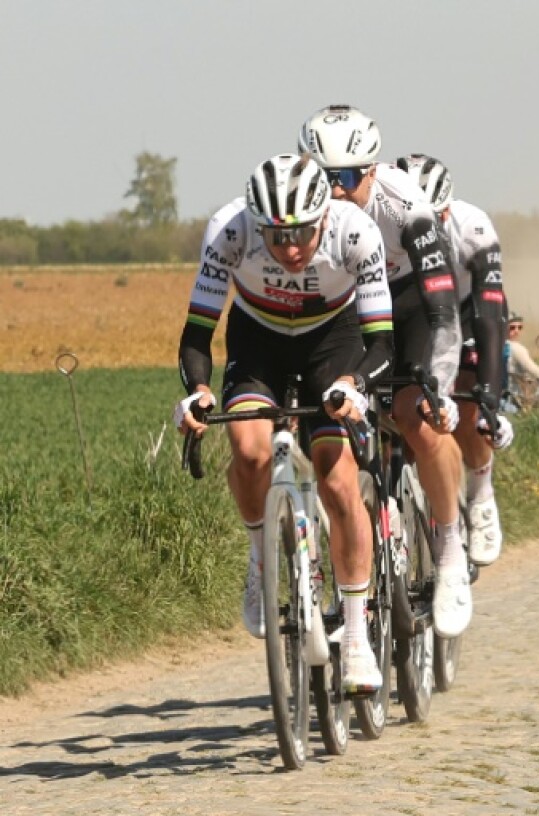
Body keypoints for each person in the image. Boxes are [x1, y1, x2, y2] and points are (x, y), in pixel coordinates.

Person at [174, 153, 392, 694]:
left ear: (324, 218)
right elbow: (197, 332)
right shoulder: (229, 230)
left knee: (337, 477)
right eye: (276, 237)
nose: (290, 249)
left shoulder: (356, 233)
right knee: (248, 451)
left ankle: (358, 633)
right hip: (259, 340)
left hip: (332, 340)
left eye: (300, 234)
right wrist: (197, 392)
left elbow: (383, 341)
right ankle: (260, 558)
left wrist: (355, 385)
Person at [298, 105, 471, 638]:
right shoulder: (302, 212)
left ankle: (448, 551)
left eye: (347, 178)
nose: (336, 190)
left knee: (415, 415)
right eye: (324, 178)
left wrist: (437, 389)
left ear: (371, 171)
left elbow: (442, 308)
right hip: (351, 311)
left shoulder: (405, 206)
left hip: (411, 304)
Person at [399, 153, 515, 568]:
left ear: (447, 208)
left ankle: (481, 492)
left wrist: (489, 397)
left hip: (468, 312)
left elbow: (489, 314)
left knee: (469, 415)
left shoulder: (474, 227)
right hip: (414, 312)